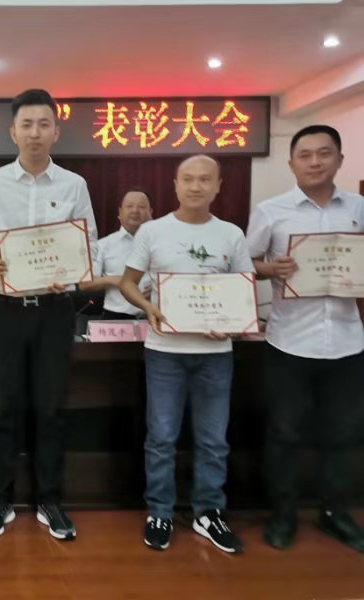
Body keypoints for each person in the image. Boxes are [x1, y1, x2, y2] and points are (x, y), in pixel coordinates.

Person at [0, 89, 99, 541]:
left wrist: (73, 272)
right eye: (27, 124)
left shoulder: (74, 185)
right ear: (13, 132)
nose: (35, 133)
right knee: (4, 406)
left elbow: (90, 242)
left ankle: (50, 499)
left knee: (51, 406)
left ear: (56, 131)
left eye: (44, 124)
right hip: (3, 309)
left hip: (54, 310)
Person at [119, 155, 252, 554]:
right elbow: (128, 283)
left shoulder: (231, 234)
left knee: (213, 440)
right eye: (188, 179)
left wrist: (233, 322)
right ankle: (159, 511)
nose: (196, 186)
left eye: (205, 179)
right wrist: (148, 306)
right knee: (161, 437)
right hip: (165, 352)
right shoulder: (153, 231)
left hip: (216, 352)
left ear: (218, 186)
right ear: (175, 185)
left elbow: (243, 289)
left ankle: (208, 512)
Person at [246, 124, 364, 553]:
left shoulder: (359, 209)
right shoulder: (271, 211)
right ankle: (284, 514)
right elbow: (244, 262)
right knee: (285, 433)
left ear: (340, 160)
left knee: (345, 434)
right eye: (306, 155)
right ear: (291, 163)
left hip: (349, 341)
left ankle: (336, 513)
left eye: (324, 153)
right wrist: (269, 269)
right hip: (289, 342)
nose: (315, 162)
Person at [81, 188, 153, 319]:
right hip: (115, 317)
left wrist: (161, 286)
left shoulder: (162, 243)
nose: (135, 210)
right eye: (129, 206)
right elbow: (84, 284)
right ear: (120, 212)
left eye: (141, 207)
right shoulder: (103, 245)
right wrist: (116, 280)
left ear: (151, 212)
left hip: (155, 315)